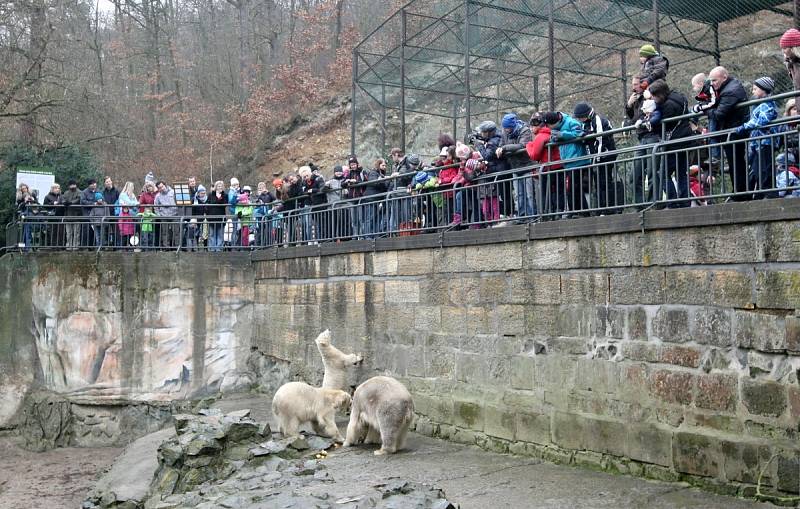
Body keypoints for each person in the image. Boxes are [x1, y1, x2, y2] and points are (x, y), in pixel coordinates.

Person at [648, 79, 693, 207]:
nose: (653, 99)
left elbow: (663, 126)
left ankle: (673, 202)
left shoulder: (667, 105)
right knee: (681, 173)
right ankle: (685, 202)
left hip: (674, 142)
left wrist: (651, 118)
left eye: (654, 96)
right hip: (685, 139)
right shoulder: (679, 97)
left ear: (659, 94)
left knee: (662, 174)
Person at [706, 66, 750, 200]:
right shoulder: (728, 87)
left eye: (714, 80)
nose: (712, 84)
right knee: (735, 164)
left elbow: (719, 114)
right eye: (710, 81)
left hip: (734, 132)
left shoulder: (730, 91)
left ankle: (740, 193)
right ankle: (738, 192)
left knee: (736, 164)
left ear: (724, 77)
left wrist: (706, 109)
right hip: (731, 130)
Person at [736, 76, 779, 199]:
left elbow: (762, 120)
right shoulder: (758, 104)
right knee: (756, 168)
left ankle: (770, 193)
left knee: (765, 168)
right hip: (757, 142)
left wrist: (744, 126)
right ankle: (759, 192)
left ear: (763, 90)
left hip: (765, 141)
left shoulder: (767, 104)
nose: (753, 91)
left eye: (755, 89)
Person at [573, 102, 618, 212]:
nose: (579, 120)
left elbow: (600, 140)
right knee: (598, 183)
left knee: (605, 182)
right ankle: (601, 208)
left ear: (586, 114)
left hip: (605, 156)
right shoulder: (585, 124)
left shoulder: (598, 121)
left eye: (580, 117)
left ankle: (608, 208)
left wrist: (597, 158)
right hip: (595, 158)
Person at [543, 111, 589, 216]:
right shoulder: (556, 128)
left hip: (578, 160)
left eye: (549, 126)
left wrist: (563, 135)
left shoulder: (571, 122)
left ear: (554, 122)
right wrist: (554, 138)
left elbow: (579, 133)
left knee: (573, 188)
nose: (549, 128)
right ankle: (579, 212)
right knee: (573, 188)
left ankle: (577, 212)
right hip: (567, 162)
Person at [497, 113, 535, 220]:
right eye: (505, 128)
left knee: (529, 194)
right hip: (515, 166)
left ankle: (532, 215)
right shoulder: (504, 132)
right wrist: (499, 149)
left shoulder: (524, 130)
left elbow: (522, 145)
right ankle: (522, 216)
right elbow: (501, 144)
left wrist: (504, 148)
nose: (506, 130)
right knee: (519, 194)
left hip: (527, 165)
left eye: (508, 127)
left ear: (512, 125)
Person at [526, 112, 564, 216]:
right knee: (558, 190)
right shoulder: (552, 132)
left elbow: (535, 155)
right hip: (559, 166)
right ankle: (559, 212)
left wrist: (529, 145)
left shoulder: (541, 136)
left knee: (546, 192)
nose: (531, 128)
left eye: (533, 125)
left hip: (548, 168)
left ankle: (547, 214)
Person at [691, 73, 720, 165]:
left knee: (712, 134)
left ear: (700, 84)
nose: (693, 88)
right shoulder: (704, 91)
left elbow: (713, 102)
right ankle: (692, 122)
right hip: (711, 112)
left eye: (694, 86)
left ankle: (715, 156)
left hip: (714, 113)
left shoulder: (709, 88)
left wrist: (700, 107)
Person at [154, 181, 179, 248]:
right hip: (164, 216)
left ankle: (176, 246)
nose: (161, 188)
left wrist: (178, 212)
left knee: (176, 232)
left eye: (162, 186)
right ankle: (166, 247)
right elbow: (156, 207)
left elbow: (179, 202)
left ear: (165, 185)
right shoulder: (157, 196)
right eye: (159, 188)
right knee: (165, 232)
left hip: (175, 215)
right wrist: (159, 215)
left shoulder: (173, 192)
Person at [80, 179, 104, 247]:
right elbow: (83, 201)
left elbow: (102, 200)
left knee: (96, 232)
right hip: (87, 215)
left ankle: (95, 246)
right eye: (92, 184)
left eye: (95, 183)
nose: (94, 185)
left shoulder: (98, 191)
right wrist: (93, 203)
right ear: (89, 185)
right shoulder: (84, 192)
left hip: (96, 215)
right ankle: (86, 246)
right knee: (87, 231)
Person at [206, 181, 227, 251]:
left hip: (221, 217)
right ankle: (212, 249)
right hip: (212, 217)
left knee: (220, 234)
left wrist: (219, 199)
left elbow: (225, 203)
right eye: (218, 186)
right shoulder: (211, 194)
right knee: (211, 234)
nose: (220, 187)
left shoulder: (225, 195)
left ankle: (219, 249)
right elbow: (207, 204)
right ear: (216, 187)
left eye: (221, 186)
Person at [62, 180, 82, 250]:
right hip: (68, 215)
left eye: (74, 184)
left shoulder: (79, 192)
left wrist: (70, 203)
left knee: (76, 232)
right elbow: (63, 200)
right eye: (71, 185)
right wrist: (65, 203)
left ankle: (76, 246)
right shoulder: (66, 192)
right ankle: (68, 246)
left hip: (76, 215)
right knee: (68, 233)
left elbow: (78, 200)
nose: (73, 186)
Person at [116, 182, 138, 248]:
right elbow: (130, 203)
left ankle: (131, 248)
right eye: (131, 187)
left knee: (131, 236)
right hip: (124, 216)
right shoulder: (123, 195)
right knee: (124, 237)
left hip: (132, 217)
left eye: (133, 187)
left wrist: (133, 204)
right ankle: (122, 249)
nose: (132, 188)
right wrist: (134, 203)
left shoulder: (133, 195)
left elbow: (135, 207)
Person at [16, 183, 38, 249]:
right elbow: (19, 207)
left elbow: (38, 205)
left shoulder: (32, 195)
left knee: (31, 231)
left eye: (25, 188)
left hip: (33, 215)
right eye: (23, 189)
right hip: (25, 216)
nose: (24, 190)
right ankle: (26, 247)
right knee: (26, 231)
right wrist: (25, 201)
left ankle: (31, 246)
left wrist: (33, 200)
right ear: (21, 190)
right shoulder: (20, 197)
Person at [102, 176, 120, 247]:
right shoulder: (103, 192)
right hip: (106, 214)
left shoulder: (116, 191)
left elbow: (119, 201)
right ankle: (107, 245)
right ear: (104, 183)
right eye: (107, 182)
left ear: (111, 181)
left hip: (114, 213)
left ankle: (116, 246)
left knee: (116, 230)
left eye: (109, 181)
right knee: (106, 231)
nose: (108, 183)